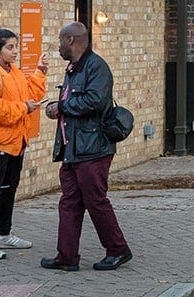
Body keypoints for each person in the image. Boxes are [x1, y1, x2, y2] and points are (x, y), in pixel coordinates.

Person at [41, 21, 132, 271]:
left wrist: (61, 107)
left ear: (70, 40)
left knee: (95, 201)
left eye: (60, 41)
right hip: (73, 149)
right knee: (69, 202)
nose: (58, 47)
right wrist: (56, 107)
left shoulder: (96, 67)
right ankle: (67, 257)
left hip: (93, 149)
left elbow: (95, 101)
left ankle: (118, 249)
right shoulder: (73, 68)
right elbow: (74, 101)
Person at [0, 28, 49, 260]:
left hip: (16, 141)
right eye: (10, 47)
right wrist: (23, 108)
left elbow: (30, 94)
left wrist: (40, 72)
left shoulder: (13, 71)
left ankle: (3, 234)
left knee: (8, 189)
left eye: (16, 47)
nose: (15, 52)